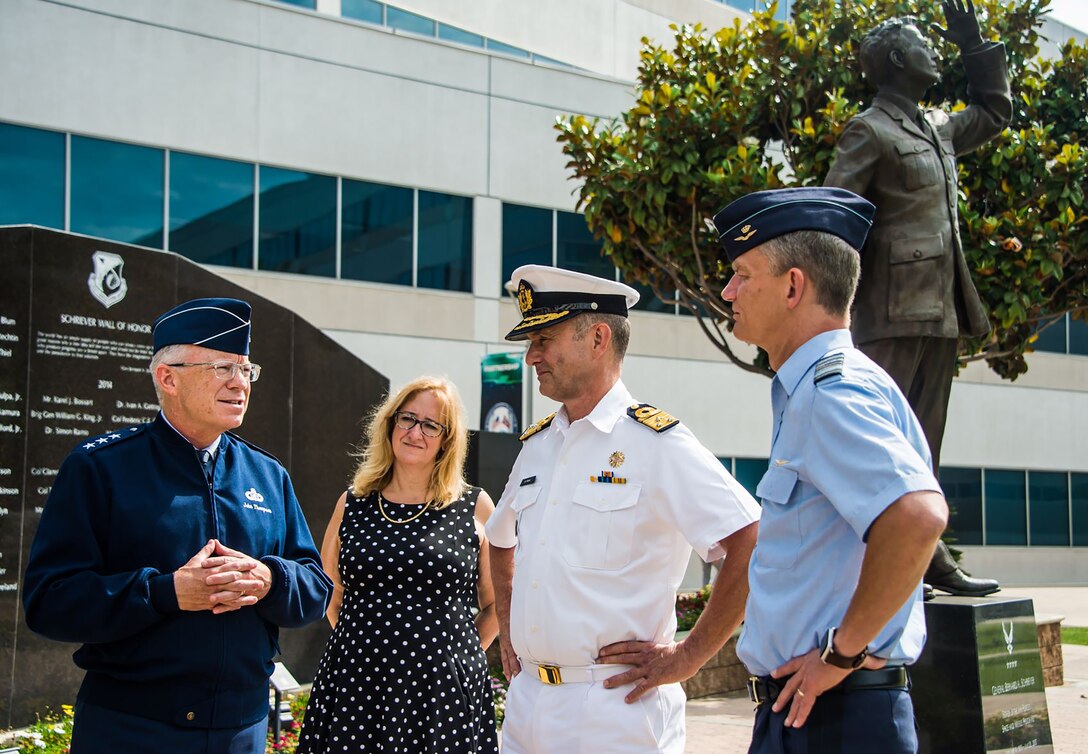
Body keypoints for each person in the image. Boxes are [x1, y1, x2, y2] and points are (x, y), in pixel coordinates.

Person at [22, 297, 333, 754]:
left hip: (239, 729)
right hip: (132, 729)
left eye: (246, 370)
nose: (239, 383)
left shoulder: (267, 475)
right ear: (168, 378)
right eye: (221, 368)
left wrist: (270, 579)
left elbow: (314, 589)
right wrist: (164, 593)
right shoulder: (101, 468)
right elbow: (49, 601)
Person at [713, 187, 950, 753]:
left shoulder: (830, 392)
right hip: (819, 710)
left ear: (794, 286)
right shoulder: (827, 385)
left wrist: (841, 654)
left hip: (836, 716)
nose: (727, 292)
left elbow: (917, 516)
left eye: (743, 274)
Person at [487, 265, 760, 754]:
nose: (531, 356)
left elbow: (750, 540)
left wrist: (689, 657)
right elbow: (499, 536)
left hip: (614, 710)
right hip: (528, 706)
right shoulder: (538, 444)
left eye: (544, 339)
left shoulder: (657, 443)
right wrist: (508, 628)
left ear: (597, 338)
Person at [823, 0, 1010, 596]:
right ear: (899, 60)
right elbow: (833, 218)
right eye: (925, 44)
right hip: (888, 313)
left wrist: (971, 38)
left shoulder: (937, 127)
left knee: (923, 444)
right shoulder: (869, 129)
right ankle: (866, 570)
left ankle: (925, 561)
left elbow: (995, 109)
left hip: (941, 308)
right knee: (881, 446)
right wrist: (834, 311)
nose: (936, 52)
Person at [298, 376, 500, 754]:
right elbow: (329, 588)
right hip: (357, 684)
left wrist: (461, 653)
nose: (415, 432)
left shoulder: (474, 505)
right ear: (390, 424)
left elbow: (499, 602)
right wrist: (365, 643)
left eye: (430, 425)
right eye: (407, 418)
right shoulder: (352, 503)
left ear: (447, 439)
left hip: (442, 691)